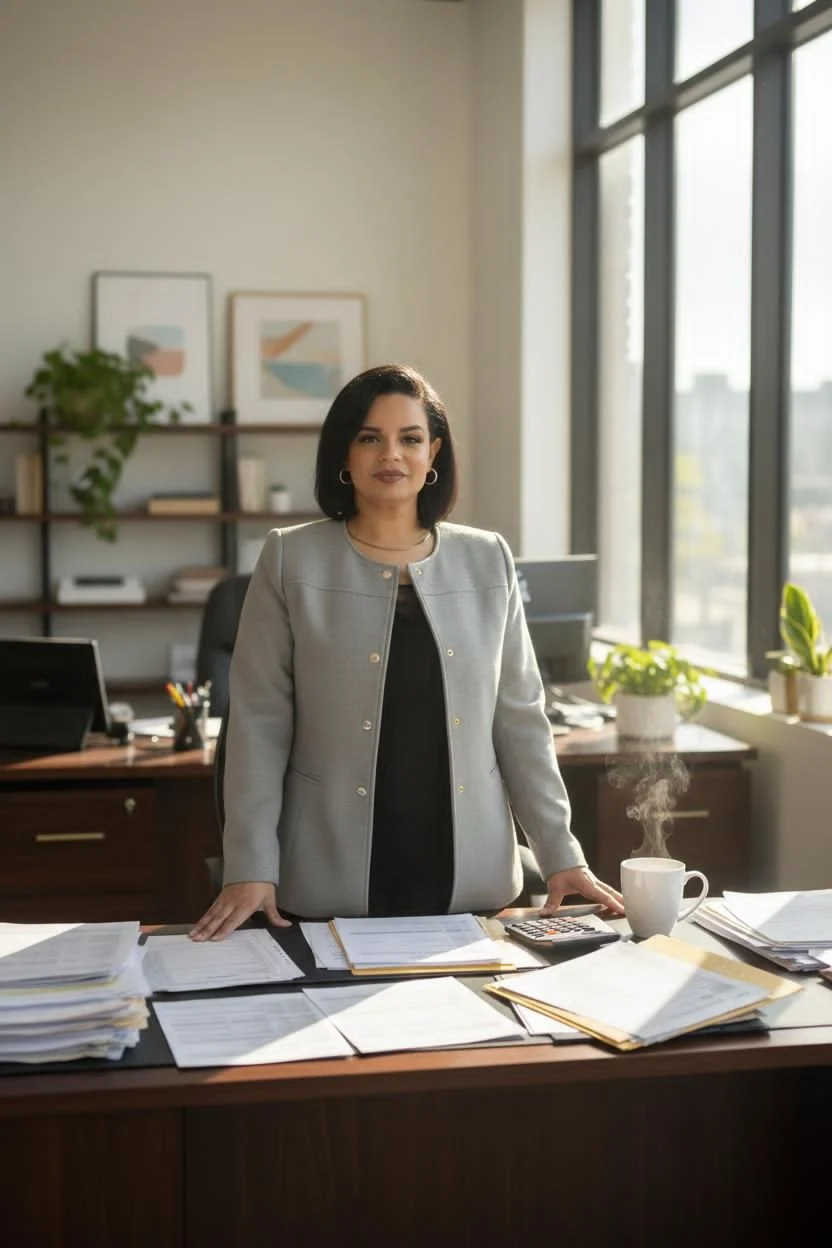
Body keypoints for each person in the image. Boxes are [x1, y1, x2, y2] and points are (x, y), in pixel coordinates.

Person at [191, 363, 623, 940]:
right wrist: (249, 865)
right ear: (344, 455)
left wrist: (561, 855)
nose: (390, 454)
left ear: (433, 452)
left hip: (466, 873)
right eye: (370, 437)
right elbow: (257, 725)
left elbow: (520, 721)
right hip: (328, 867)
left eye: (410, 438)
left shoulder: (487, 558)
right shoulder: (291, 558)